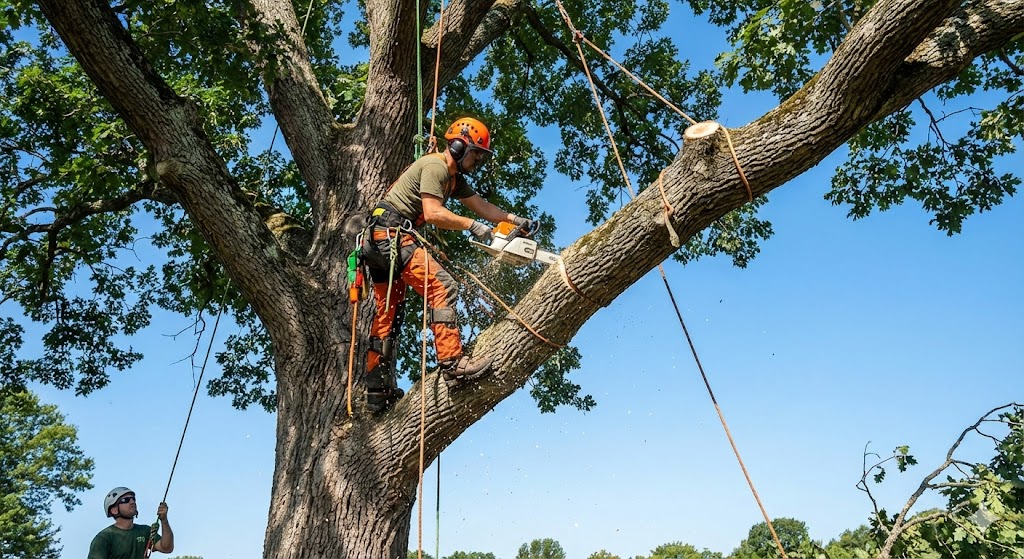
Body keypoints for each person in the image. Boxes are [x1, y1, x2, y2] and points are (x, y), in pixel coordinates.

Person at [360, 116, 532, 413]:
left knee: (388, 312)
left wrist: (515, 220)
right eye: (476, 153)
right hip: (390, 236)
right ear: (457, 146)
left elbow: (482, 206)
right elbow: (434, 212)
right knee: (442, 285)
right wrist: (472, 226)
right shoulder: (436, 166)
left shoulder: (454, 178)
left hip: (380, 240)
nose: (478, 159)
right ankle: (453, 363)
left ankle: (377, 391)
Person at [88, 487, 174, 559]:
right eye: (126, 500)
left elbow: (166, 548)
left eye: (133, 499)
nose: (132, 502)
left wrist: (164, 520)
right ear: (114, 510)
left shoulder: (145, 531)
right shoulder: (104, 538)